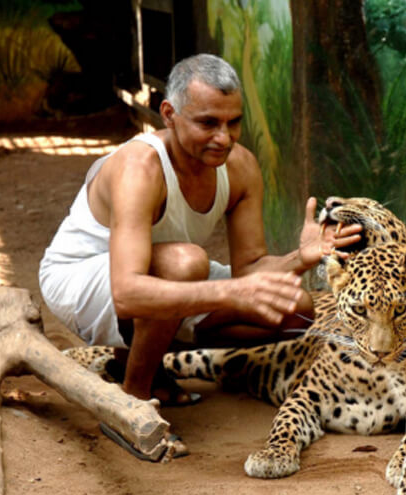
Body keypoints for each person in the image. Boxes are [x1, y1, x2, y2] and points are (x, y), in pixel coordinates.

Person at [38, 53, 360, 445]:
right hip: (78, 279)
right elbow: (126, 294)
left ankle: (135, 360)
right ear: (169, 114)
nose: (224, 137)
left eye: (234, 122)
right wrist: (230, 291)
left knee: (295, 309)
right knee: (187, 262)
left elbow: (250, 269)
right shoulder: (139, 166)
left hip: (162, 278)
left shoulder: (240, 167)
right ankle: (132, 400)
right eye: (207, 122)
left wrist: (301, 259)